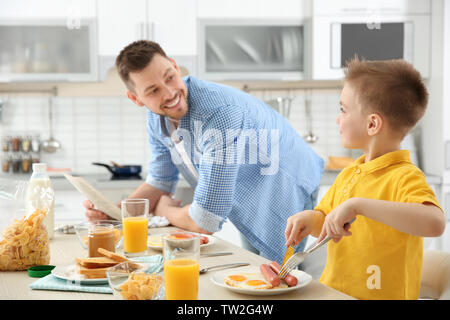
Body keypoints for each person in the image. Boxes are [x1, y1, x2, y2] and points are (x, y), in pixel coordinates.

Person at [83, 40, 324, 264]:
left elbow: (205, 221)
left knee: (276, 284)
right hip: (249, 194)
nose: (168, 93)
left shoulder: (219, 114)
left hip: (285, 185)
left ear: (176, 67)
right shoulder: (156, 118)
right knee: (254, 276)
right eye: (153, 91)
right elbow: (160, 182)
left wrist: (165, 211)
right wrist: (115, 214)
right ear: (136, 99)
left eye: (170, 77)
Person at [284, 57, 446, 299]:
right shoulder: (350, 173)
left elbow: (435, 223)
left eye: (343, 110)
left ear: (372, 123)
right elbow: (328, 222)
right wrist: (311, 220)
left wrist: (359, 205)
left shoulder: (404, 176)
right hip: (335, 293)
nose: (338, 119)